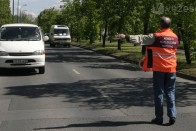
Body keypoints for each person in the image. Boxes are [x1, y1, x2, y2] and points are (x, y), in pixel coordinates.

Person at [116, 16, 178, 125]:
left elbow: (140, 38)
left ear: (160, 25)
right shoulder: (175, 37)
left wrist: (125, 36)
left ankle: (159, 118)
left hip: (159, 69)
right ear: (170, 25)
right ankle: (172, 115)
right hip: (172, 69)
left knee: (159, 92)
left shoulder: (156, 36)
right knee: (170, 92)